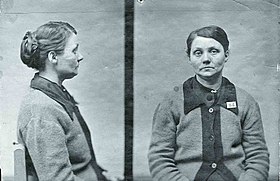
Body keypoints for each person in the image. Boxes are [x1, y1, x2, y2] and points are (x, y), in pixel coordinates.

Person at [148, 25, 270, 181]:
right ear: (189, 57)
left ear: (226, 55)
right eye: (198, 53)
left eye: (213, 51)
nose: (206, 59)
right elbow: (159, 159)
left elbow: (258, 156)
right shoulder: (171, 102)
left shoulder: (245, 101)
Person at [17, 21, 121, 181]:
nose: (80, 57)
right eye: (74, 50)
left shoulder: (55, 96)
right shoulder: (41, 110)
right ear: (53, 57)